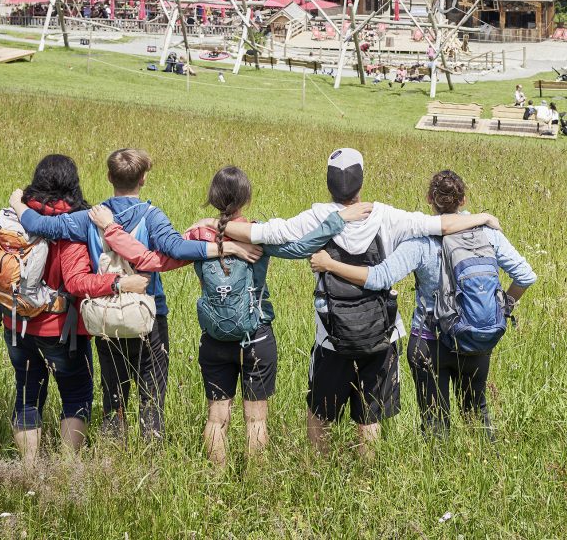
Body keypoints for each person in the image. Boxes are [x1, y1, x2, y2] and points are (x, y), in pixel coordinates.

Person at [213, 148, 500, 456]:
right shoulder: (387, 216)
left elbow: (264, 232)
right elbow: (440, 226)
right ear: (361, 182)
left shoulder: (318, 217)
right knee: (370, 417)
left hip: (330, 336)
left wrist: (217, 225)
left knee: (320, 413)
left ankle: (316, 467)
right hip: (380, 334)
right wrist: (482, 217)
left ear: (328, 183)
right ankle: (368, 472)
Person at [10, 148, 253, 442]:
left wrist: (18, 203)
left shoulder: (89, 217)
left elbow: (39, 225)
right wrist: (221, 245)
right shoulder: (152, 217)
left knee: (114, 399)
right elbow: (176, 249)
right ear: (144, 179)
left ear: (109, 177)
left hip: (106, 317)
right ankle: (149, 458)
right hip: (149, 317)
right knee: (152, 398)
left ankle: (113, 455)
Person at [310, 169, 534, 438]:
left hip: (429, 340)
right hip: (476, 338)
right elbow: (525, 276)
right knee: (477, 413)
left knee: (435, 422)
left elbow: (379, 278)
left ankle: (438, 472)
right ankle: (486, 466)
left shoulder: (420, 239)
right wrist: (504, 306)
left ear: (430, 199)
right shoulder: (488, 234)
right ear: (463, 200)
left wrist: (331, 264)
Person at [174, 166, 373, 465]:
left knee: (216, 418)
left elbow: (172, 248)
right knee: (256, 421)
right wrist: (337, 220)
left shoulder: (197, 234)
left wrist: (213, 234)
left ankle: (215, 481)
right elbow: (301, 247)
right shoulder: (256, 233)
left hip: (213, 337)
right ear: (246, 197)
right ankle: (255, 484)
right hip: (256, 336)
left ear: (213, 197)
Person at [1, 154, 143, 465]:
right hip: (60, 330)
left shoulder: (13, 216)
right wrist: (120, 282)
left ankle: (28, 470)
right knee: (76, 396)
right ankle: (66, 473)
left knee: (27, 395)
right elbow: (78, 283)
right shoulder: (74, 224)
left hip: (15, 323)